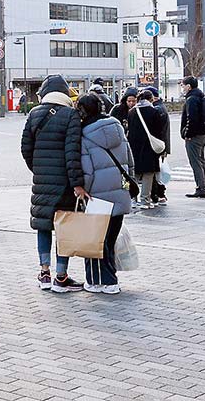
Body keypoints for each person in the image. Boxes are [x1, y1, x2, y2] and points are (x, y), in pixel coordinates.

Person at [21, 74, 88, 293]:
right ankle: (61, 277)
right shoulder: (71, 115)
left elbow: (25, 148)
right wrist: (77, 183)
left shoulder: (34, 114)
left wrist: (38, 168)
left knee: (43, 225)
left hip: (41, 180)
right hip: (65, 183)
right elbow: (73, 153)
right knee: (63, 227)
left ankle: (44, 273)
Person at [77, 95, 133, 294]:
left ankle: (99, 282)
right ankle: (111, 281)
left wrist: (84, 191)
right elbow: (129, 161)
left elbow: (88, 171)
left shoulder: (84, 135)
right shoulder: (116, 126)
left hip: (98, 198)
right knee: (110, 240)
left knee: (94, 241)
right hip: (120, 194)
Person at [127, 89, 168, 209]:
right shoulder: (154, 112)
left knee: (134, 173)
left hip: (134, 146)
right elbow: (159, 131)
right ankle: (145, 200)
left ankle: (133, 199)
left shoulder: (132, 112)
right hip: (149, 147)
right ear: (150, 99)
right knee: (148, 173)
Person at [181, 77, 205, 199]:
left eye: (183, 85)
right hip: (203, 134)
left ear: (189, 86)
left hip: (194, 136)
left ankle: (201, 188)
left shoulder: (191, 99)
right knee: (201, 160)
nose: (182, 88)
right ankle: (204, 187)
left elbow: (191, 118)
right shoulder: (200, 96)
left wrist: (188, 134)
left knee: (195, 162)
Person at [148, 87, 171, 206]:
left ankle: (159, 194)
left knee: (157, 171)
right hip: (161, 145)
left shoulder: (157, 109)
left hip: (157, 145)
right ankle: (159, 194)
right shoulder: (160, 107)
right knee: (158, 170)